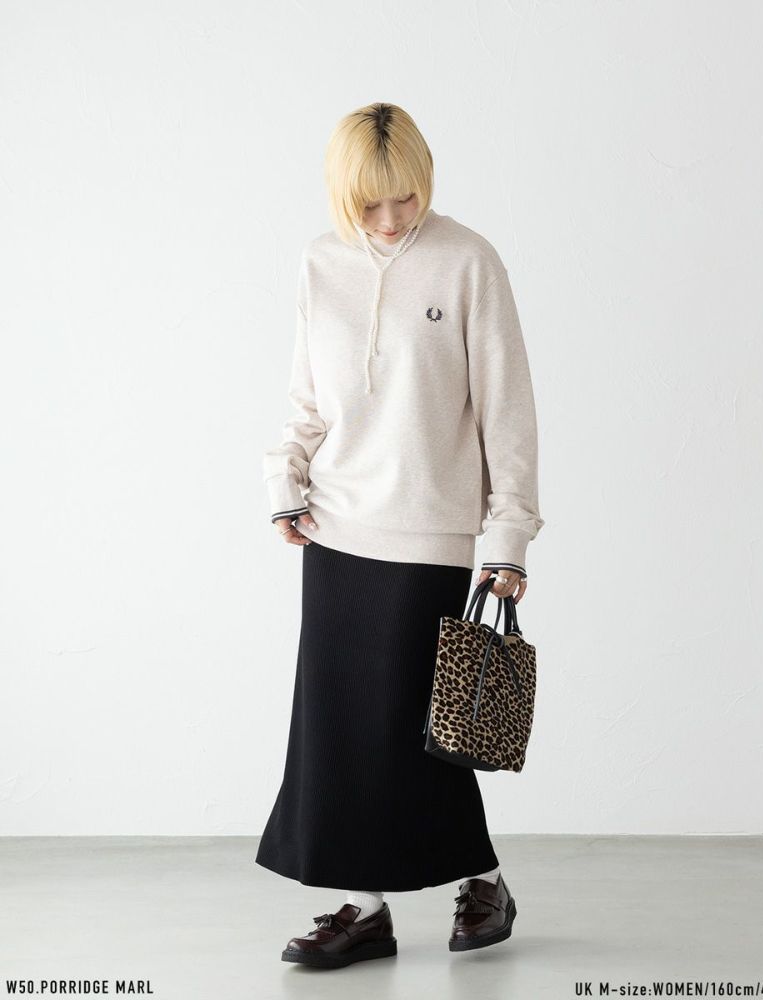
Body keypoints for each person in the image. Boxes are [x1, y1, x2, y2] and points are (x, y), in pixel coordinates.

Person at [254, 101, 545, 969]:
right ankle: (365, 908)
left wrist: (509, 536)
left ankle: (483, 878)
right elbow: (308, 399)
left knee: (421, 730)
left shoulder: (468, 262)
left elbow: (508, 412)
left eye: (407, 198)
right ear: (342, 194)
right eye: (370, 203)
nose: (389, 219)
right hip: (337, 526)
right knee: (341, 729)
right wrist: (284, 482)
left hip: (432, 534)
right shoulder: (320, 264)